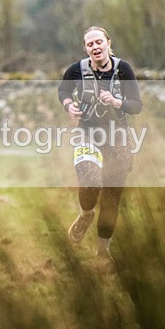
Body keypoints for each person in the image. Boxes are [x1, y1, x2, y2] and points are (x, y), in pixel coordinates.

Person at [57, 26, 142, 271]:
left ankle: (103, 253)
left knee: (111, 198)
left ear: (108, 43)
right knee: (90, 179)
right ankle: (85, 215)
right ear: (85, 48)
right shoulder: (77, 70)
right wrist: (68, 105)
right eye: (90, 44)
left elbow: (136, 105)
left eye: (99, 42)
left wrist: (117, 101)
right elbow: (63, 90)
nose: (95, 47)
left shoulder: (123, 70)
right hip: (87, 134)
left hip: (118, 139)